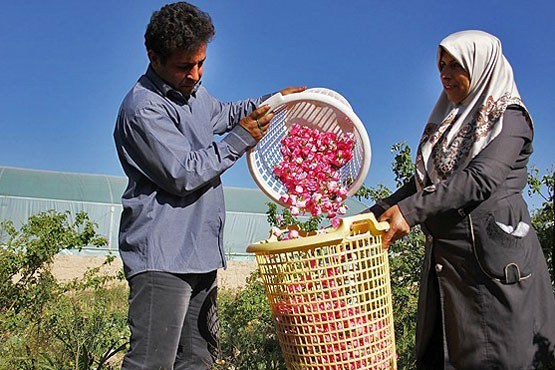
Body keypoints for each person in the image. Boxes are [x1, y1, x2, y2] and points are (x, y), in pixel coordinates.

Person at [113, 2, 304, 369]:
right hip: (163, 258)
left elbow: (229, 113)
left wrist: (276, 101)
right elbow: (183, 173)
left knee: (198, 358)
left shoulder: (194, 95)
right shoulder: (143, 109)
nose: (196, 74)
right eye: (185, 66)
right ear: (153, 57)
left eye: (201, 63)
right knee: (152, 362)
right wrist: (238, 140)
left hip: (198, 254)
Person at [365, 30, 555, 369]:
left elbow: (482, 177)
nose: (446, 75)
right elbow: (422, 183)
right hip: (448, 263)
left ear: (482, 66)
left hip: (493, 262)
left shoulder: (510, 117)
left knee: (495, 353)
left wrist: (410, 213)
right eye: (441, 66)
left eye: (457, 65)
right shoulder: (450, 124)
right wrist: (371, 214)